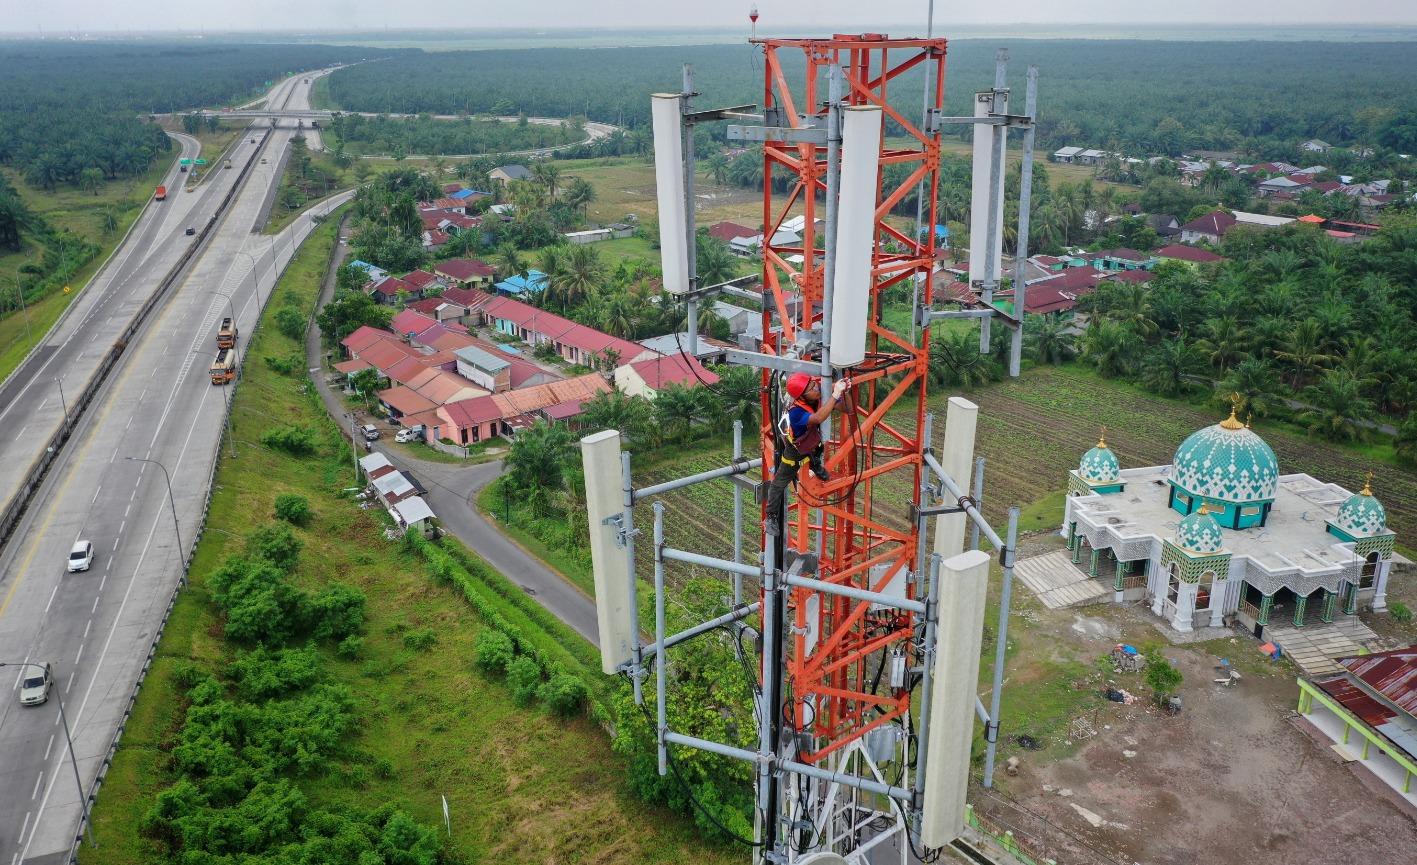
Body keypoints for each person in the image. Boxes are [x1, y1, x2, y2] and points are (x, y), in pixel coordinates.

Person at [765, 372, 850, 537]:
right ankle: (770, 516)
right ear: (802, 396)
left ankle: (815, 465)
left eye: (814, 384)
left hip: (811, 442)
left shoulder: (814, 395)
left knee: (816, 449)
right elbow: (818, 418)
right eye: (811, 388)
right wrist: (835, 395)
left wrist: (844, 390)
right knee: (779, 482)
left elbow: (848, 409)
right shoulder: (796, 412)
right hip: (796, 450)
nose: (816, 388)